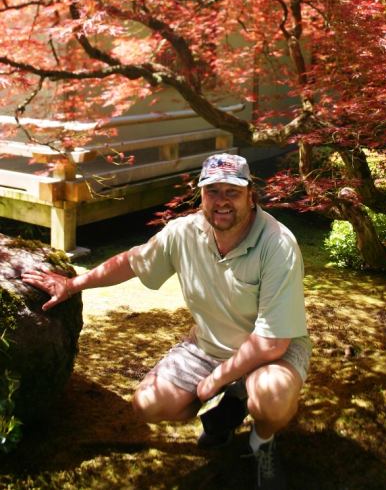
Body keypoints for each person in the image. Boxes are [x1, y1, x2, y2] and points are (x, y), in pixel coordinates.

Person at [22, 153, 311, 490]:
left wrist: (215, 381)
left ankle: (262, 441)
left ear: (250, 195)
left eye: (232, 191)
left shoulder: (277, 244)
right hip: (210, 345)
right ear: (201, 195)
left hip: (272, 354)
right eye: (212, 191)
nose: (221, 201)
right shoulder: (184, 232)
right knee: (149, 404)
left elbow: (272, 342)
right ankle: (233, 405)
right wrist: (73, 284)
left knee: (271, 397)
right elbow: (132, 261)